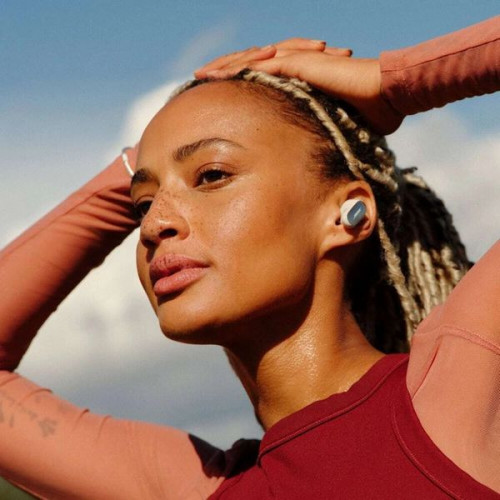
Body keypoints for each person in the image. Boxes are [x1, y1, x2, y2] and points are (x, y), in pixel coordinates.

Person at [0, 16, 498, 499]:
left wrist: (391, 83)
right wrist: (133, 167)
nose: (153, 225)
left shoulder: (457, 390)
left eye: (212, 175)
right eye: (142, 204)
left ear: (345, 214)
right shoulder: (194, 487)